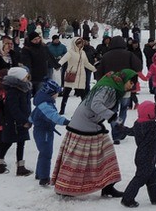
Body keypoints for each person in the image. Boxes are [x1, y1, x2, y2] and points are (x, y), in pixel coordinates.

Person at [52, 69, 139, 198]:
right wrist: (113, 117)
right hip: (83, 126)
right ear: (125, 80)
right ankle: (65, 187)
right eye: (131, 83)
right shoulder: (108, 88)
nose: (132, 86)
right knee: (78, 159)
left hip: (92, 124)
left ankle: (108, 186)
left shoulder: (113, 87)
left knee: (107, 153)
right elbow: (96, 104)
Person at [115, 101, 156, 207]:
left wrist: (119, 125)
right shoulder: (151, 127)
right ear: (150, 114)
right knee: (140, 178)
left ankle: (155, 196)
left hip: (141, 156)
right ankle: (127, 199)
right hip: (147, 157)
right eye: (155, 111)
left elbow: (129, 131)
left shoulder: (138, 124)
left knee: (153, 176)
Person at [0, 67, 33, 176]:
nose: (27, 78)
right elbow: (13, 108)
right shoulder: (13, 91)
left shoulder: (24, 88)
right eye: (25, 76)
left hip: (23, 119)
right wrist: (23, 120)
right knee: (8, 142)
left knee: (21, 143)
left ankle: (20, 166)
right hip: (13, 122)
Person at [30, 79, 69, 186]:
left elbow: (32, 116)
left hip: (42, 131)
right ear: (51, 93)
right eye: (57, 93)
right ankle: (44, 178)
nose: (58, 95)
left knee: (43, 153)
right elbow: (53, 116)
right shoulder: (45, 105)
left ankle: (40, 174)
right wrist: (66, 122)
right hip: (44, 132)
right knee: (46, 154)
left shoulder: (43, 102)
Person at [58, 37, 96, 115]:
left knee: (83, 94)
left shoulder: (83, 53)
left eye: (81, 43)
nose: (80, 45)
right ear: (74, 43)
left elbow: (86, 63)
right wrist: (58, 65)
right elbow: (63, 60)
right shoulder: (70, 52)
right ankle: (62, 109)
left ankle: (85, 110)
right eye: (78, 43)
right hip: (71, 75)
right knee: (66, 94)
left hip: (81, 76)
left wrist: (94, 69)